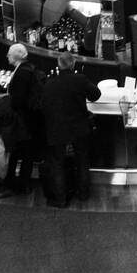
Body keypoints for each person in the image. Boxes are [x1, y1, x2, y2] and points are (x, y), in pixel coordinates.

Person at [40, 52, 100, 207]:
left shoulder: (49, 83)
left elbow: (43, 105)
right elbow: (96, 95)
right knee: (82, 161)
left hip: (57, 128)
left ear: (59, 65)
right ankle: (83, 194)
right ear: (73, 64)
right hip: (79, 127)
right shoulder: (80, 79)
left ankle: (60, 199)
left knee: (58, 164)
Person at [0, 43, 43, 198]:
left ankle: (15, 185)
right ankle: (23, 184)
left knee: (17, 152)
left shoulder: (22, 73)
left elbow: (18, 100)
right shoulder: (29, 69)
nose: (7, 57)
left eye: (9, 55)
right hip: (30, 120)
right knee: (27, 154)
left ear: (16, 57)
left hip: (23, 121)